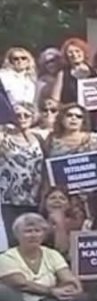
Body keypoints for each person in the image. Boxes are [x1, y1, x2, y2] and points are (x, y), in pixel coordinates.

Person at [0, 214, 90, 301]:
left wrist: (74, 286)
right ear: (17, 235)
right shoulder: (6, 257)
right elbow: (21, 284)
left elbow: (67, 277)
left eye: (37, 231)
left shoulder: (52, 254)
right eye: (28, 231)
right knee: (2, 291)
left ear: (44, 234)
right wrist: (51, 291)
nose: (33, 235)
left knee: (72, 295)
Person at [0, 103, 44, 244]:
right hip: (8, 198)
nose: (22, 118)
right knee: (13, 238)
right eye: (18, 115)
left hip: (34, 197)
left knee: (33, 236)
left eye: (27, 115)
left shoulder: (39, 138)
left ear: (33, 117)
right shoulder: (3, 137)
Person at [51, 38, 92, 106]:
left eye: (77, 51)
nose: (74, 54)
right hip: (70, 110)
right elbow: (55, 99)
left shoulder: (94, 72)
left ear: (84, 52)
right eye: (70, 52)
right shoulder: (62, 74)